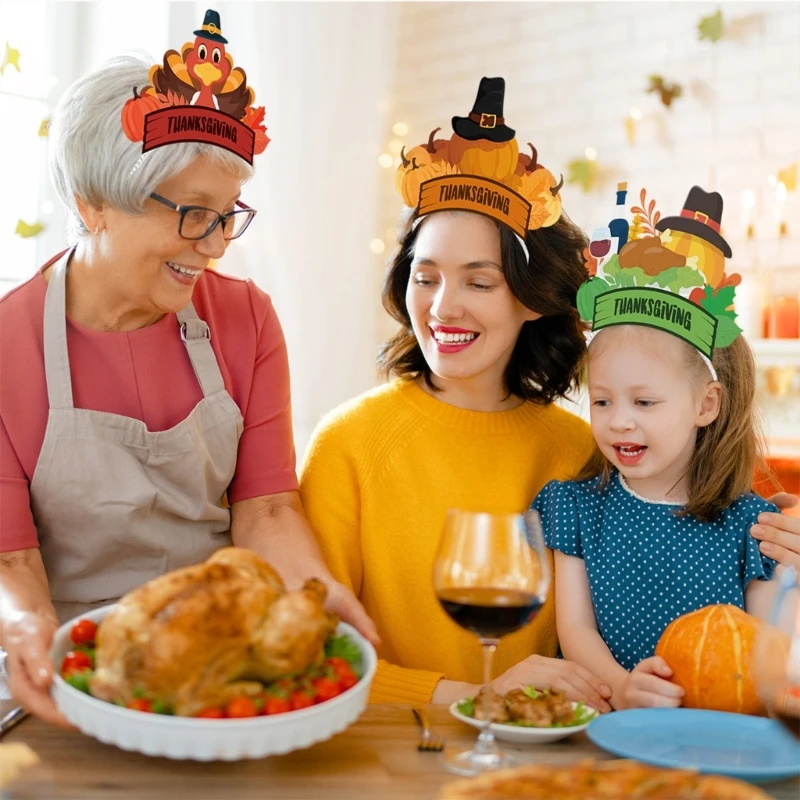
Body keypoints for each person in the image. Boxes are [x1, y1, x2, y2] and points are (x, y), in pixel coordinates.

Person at [0, 15, 373, 727]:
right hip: (72, 676)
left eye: (229, 216)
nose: (216, 247)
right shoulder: (5, 344)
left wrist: (318, 591)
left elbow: (265, 511)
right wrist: (25, 635)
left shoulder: (248, 320)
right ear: (92, 205)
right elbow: (10, 563)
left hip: (221, 669)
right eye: (193, 214)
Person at [300, 77, 618, 709]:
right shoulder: (350, 444)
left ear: (531, 299)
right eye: (427, 277)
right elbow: (317, 654)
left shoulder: (581, 448)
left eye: (480, 282)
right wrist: (473, 697)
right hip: (389, 755)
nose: (444, 308)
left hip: (542, 756)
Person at [532, 186, 780, 710]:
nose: (619, 422)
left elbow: (764, 650)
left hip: (717, 731)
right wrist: (622, 687)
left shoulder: (750, 528)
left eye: (645, 403)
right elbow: (575, 630)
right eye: (601, 402)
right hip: (606, 724)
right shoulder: (575, 508)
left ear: (705, 405)